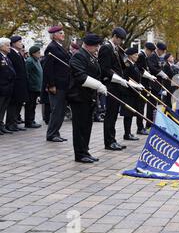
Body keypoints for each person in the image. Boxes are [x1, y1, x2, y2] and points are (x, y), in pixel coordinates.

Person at [67, 33, 107, 163]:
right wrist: (98, 85)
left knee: (87, 125)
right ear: (89, 45)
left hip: (88, 97)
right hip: (79, 97)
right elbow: (80, 76)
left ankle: (85, 150)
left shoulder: (90, 56)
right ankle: (80, 154)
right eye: (96, 46)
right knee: (80, 126)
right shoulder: (79, 56)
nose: (97, 48)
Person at [98, 27, 128, 151]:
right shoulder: (106, 47)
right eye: (119, 39)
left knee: (114, 114)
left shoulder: (115, 49)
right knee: (110, 115)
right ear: (114, 36)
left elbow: (122, 65)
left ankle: (113, 139)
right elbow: (105, 68)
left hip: (116, 85)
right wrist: (118, 78)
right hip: (111, 84)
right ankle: (109, 142)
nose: (120, 42)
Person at [43, 25, 71, 142]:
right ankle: (51, 134)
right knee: (57, 110)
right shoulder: (51, 48)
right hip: (57, 85)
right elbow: (48, 68)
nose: (63, 35)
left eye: (63, 33)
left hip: (63, 84)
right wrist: (51, 85)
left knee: (61, 110)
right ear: (54, 35)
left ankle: (56, 132)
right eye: (60, 33)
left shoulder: (59, 47)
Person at [5, 35, 28, 132]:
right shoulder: (11, 54)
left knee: (18, 103)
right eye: (19, 42)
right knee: (13, 104)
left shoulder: (18, 54)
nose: (21, 43)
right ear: (13, 43)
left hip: (21, 83)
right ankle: (10, 124)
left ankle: (14, 123)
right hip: (15, 83)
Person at [121, 47, 141, 141]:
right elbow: (126, 79)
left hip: (133, 92)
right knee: (127, 114)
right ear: (130, 55)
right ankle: (127, 133)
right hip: (128, 92)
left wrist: (138, 85)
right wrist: (136, 85)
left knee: (131, 113)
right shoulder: (127, 65)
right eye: (135, 55)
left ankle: (129, 132)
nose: (137, 56)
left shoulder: (133, 64)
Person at [135, 42, 156, 135]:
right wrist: (149, 76)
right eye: (150, 51)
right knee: (140, 107)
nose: (151, 53)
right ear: (147, 49)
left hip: (145, 85)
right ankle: (140, 127)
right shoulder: (141, 56)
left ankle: (141, 127)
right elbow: (140, 70)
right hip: (141, 85)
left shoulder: (145, 57)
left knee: (142, 107)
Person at [147, 42, 169, 118]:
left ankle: (152, 121)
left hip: (157, 85)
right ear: (159, 50)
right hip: (153, 84)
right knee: (151, 105)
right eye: (162, 51)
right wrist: (160, 72)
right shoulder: (153, 56)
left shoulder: (157, 57)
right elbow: (152, 68)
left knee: (154, 105)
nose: (163, 53)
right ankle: (148, 124)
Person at [24, 46, 43, 128]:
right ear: (33, 53)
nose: (40, 54)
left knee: (34, 105)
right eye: (38, 52)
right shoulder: (29, 61)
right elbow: (27, 74)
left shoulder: (37, 60)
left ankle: (32, 120)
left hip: (37, 87)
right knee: (30, 105)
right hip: (31, 87)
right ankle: (28, 122)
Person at [0, 38, 15, 135]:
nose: (9, 47)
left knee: (3, 108)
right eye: (7, 45)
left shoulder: (6, 58)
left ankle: (1, 125)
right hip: (2, 87)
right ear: (1, 46)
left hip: (8, 87)